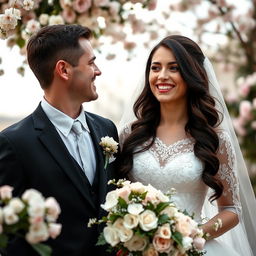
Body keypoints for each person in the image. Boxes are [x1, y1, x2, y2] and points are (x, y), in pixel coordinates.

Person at [118, 35, 256, 255]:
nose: (162, 76)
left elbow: (231, 210)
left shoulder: (214, 139)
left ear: (193, 75)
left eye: (174, 68)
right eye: (155, 68)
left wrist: (192, 235)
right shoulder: (130, 135)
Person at [0, 24, 119, 255]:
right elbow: (10, 238)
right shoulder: (13, 143)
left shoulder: (107, 129)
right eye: (91, 62)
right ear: (64, 70)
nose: (98, 70)